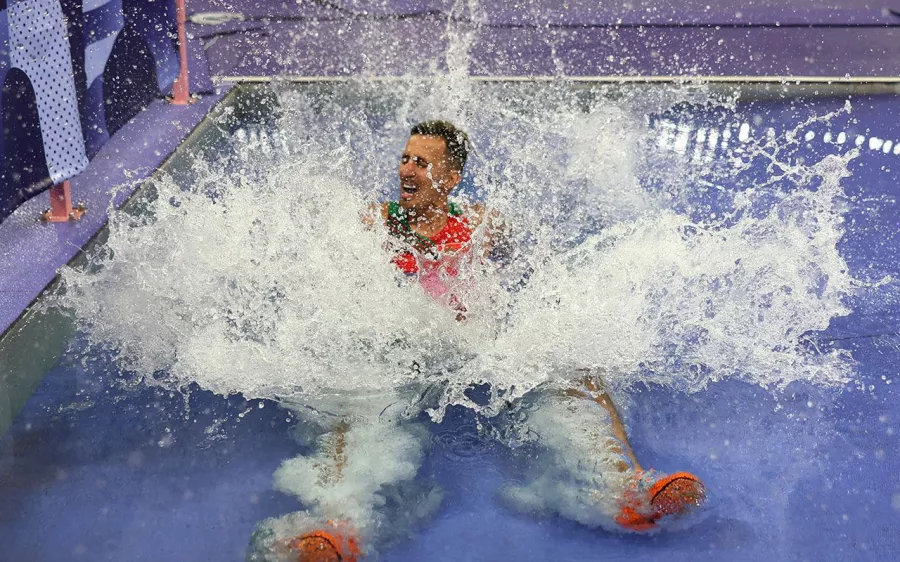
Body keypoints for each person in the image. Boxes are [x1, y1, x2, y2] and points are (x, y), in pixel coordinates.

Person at [250, 121, 706, 562]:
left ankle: (627, 488)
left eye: (422, 163)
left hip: (475, 354)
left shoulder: (482, 224)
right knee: (350, 399)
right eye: (405, 159)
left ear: (450, 179)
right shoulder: (374, 224)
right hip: (401, 357)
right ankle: (339, 525)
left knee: (579, 369)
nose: (406, 170)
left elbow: (534, 266)